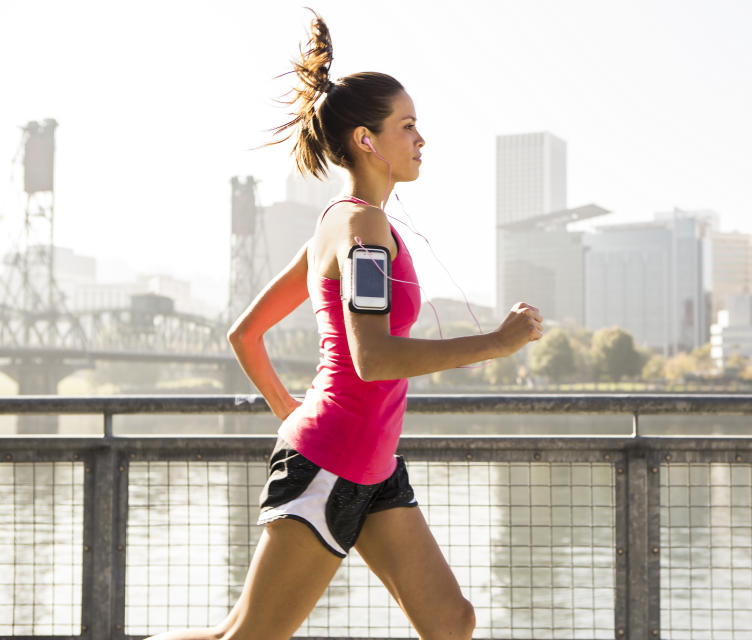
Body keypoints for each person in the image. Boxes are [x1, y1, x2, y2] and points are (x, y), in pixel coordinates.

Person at [145, 10, 542, 640]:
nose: (420, 139)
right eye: (407, 126)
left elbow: (244, 334)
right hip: (331, 464)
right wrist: (498, 342)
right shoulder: (362, 228)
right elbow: (373, 359)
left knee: (451, 621)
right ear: (366, 139)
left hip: (374, 467)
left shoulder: (337, 225)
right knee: (249, 638)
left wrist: (290, 415)